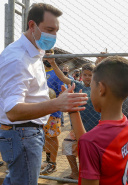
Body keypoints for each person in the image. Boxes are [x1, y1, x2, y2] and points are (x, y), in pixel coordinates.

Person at [0, 3, 88, 185]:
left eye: (56, 30)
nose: (53, 36)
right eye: (49, 29)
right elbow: (13, 111)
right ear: (32, 25)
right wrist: (57, 104)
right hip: (22, 134)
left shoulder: (34, 53)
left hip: (26, 133)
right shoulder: (18, 58)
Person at [69, 56, 128, 185]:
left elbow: (89, 144)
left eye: (91, 87)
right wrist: (73, 111)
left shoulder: (91, 142)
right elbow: (88, 144)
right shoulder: (125, 124)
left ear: (101, 89)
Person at [49, 61, 101, 180]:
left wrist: (100, 62)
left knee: (91, 154)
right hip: (78, 126)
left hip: (94, 127)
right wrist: (53, 63)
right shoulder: (77, 84)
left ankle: (93, 176)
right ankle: (75, 173)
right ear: (82, 75)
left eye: (91, 75)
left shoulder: (98, 87)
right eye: (85, 74)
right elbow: (62, 77)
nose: (88, 77)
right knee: (67, 146)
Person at [40, 49, 64, 175]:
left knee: (52, 136)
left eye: (50, 54)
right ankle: (48, 161)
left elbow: (61, 92)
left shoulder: (56, 73)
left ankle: (53, 163)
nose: (47, 57)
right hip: (42, 111)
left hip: (53, 111)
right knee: (47, 137)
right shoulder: (41, 71)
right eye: (45, 54)